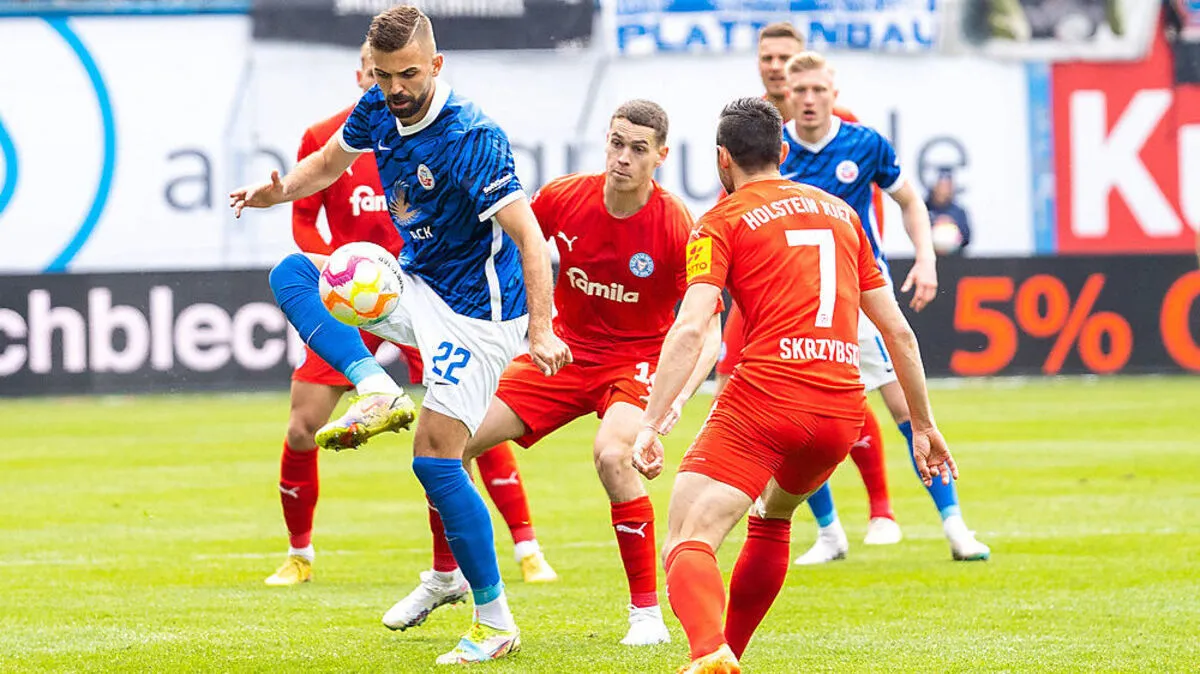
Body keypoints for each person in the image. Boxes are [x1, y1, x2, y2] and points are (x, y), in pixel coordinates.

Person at [230, 6, 571, 665]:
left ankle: (494, 620)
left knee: (436, 459)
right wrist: (277, 194)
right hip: (417, 285)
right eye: (383, 76)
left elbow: (530, 236)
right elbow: (327, 164)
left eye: (408, 74)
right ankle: (375, 385)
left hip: (478, 313)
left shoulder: (470, 134)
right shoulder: (377, 106)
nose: (395, 88)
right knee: (294, 272)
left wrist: (541, 327)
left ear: (436, 65)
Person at [629, 96, 959, 673]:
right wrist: (925, 426)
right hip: (839, 410)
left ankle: (709, 652)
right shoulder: (842, 213)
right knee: (774, 518)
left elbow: (690, 328)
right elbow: (900, 335)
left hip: (766, 398)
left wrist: (653, 421)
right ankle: (729, 653)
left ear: (721, 160)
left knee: (687, 538)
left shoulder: (721, 220)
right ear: (782, 151)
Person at [382, 99, 721, 646]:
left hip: (635, 364)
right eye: (616, 143)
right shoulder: (565, 196)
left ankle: (646, 615)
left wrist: (672, 403)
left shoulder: (677, 223)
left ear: (661, 156)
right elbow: (515, 247)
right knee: (448, 445)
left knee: (613, 457)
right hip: (563, 355)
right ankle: (446, 578)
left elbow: (708, 333)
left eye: (638, 149)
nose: (623, 158)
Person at [781, 51, 989, 563]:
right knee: (794, 423)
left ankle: (956, 524)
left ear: (833, 93)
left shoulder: (865, 144)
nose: (809, 100)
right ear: (787, 94)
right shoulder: (773, 148)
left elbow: (911, 201)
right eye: (799, 91)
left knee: (907, 410)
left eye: (818, 91)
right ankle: (829, 533)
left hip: (859, 296)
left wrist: (925, 260)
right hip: (796, 302)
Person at [721, 21, 901, 549]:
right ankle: (824, 526)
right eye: (768, 58)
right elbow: (736, 202)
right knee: (737, 378)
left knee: (843, 386)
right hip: (767, 284)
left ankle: (881, 511)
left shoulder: (843, 128)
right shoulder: (748, 124)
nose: (777, 67)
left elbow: (864, 210)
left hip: (832, 280)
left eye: (786, 58)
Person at [926, 170, 972, 256]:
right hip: (930, 258)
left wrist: (953, 226)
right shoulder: (924, 209)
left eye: (947, 186)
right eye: (941, 185)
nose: (944, 190)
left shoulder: (958, 212)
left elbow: (967, 238)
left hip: (954, 259)